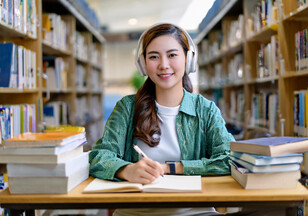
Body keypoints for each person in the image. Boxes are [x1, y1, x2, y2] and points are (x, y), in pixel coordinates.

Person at [89, 23, 235, 216]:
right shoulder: (127, 108)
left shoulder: (205, 110)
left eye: (172, 55)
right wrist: (126, 170)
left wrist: (171, 167)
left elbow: (230, 159)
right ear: (143, 63)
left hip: (196, 212)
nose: (163, 65)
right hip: (135, 213)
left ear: (188, 59)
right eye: (154, 57)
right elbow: (99, 156)